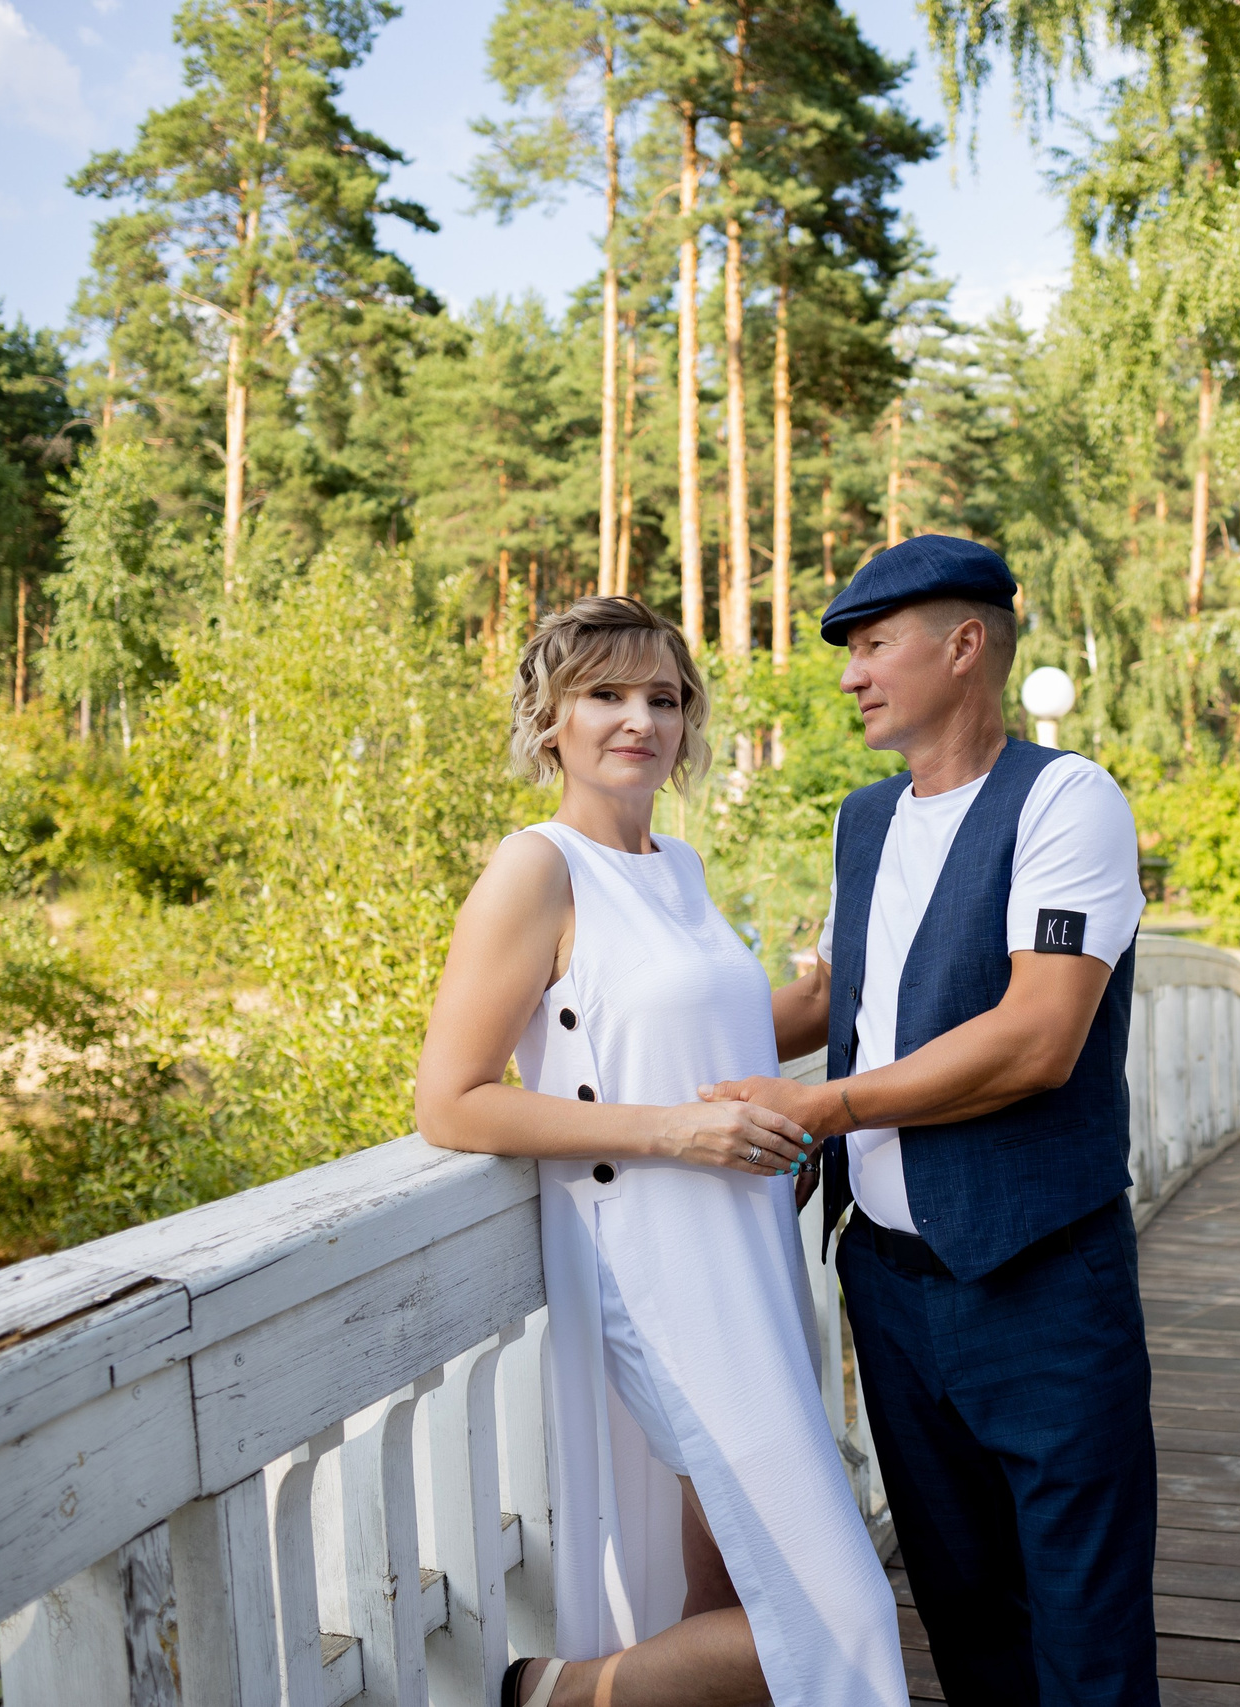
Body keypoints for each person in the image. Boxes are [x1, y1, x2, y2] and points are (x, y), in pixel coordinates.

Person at [414, 595, 907, 1707]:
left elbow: (713, 1033)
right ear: (550, 719)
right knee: (835, 1614)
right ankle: (552, 1692)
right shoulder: (533, 870)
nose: (638, 719)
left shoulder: (674, 867)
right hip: (658, 1270)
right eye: (605, 695)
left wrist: (831, 991)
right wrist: (675, 1131)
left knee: (736, 1584)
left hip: (748, 1261)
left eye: (664, 698)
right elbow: (451, 1102)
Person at [705, 535, 1158, 1706]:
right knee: (963, 1617)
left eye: (870, 647)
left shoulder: (1068, 801)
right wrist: (633, 1070)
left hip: (1040, 1278)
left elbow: (1036, 1036)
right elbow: (834, 999)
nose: (849, 675)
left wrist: (826, 1108)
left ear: (964, 647)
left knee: (1083, 1625)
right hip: (892, 1290)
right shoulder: (865, 821)